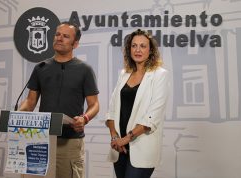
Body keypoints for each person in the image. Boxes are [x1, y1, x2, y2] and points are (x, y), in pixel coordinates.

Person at [19, 21, 100, 178]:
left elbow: (94, 104)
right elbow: (30, 102)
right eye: (57, 35)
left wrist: (85, 118)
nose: (59, 38)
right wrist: (17, 116)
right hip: (39, 140)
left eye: (65, 36)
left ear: (75, 44)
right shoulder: (41, 67)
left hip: (69, 141)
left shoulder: (85, 70)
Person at [105, 29, 169, 178]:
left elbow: (152, 117)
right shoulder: (124, 74)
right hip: (119, 148)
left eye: (143, 46)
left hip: (141, 147)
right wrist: (114, 137)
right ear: (129, 49)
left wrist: (125, 139)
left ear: (151, 50)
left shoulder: (160, 75)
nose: (138, 50)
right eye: (134, 46)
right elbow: (112, 109)